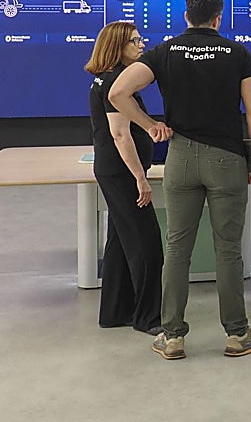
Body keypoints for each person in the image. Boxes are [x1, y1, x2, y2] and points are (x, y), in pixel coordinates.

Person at [109, 0, 251, 361]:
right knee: (228, 249)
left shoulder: (164, 52)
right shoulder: (237, 53)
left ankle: (172, 337)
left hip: (181, 158)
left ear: (186, 17)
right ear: (218, 18)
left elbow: (118, 92)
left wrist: (150, 125)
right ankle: (237, 333)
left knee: (177, 249)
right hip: (226, 159)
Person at [84, 21, 162, 335]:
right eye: (135, 41)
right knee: (147, 245)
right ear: (117, 46)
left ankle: (115, 311)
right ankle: (148, 318)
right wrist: (140, 178)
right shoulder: (115, 81)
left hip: (113, 170)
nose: (142, 45)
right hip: (122, 173)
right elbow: (119, 134)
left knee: (119, 243)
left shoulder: (107, 79)